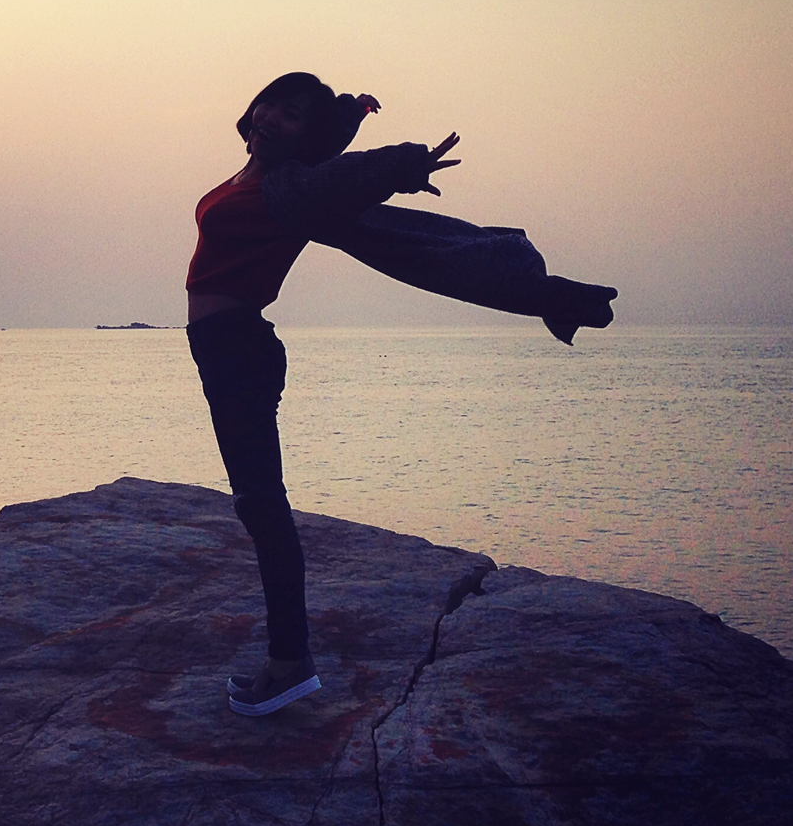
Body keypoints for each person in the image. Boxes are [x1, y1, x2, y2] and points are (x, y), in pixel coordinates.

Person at [186, 71, 615, 717]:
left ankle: (291, 662)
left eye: (293, 116)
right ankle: (289, 658)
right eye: (272, 104)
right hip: (224, 352)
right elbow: (336, 155)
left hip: (237, 353)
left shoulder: (289, 189)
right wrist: (350, 111)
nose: (274, 117)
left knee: (263, 507)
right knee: (260, 504)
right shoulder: (255, 179)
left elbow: (344, 176)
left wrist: (407, 162)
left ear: (305, 138)